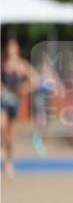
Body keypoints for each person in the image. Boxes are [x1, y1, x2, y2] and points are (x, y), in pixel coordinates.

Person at [2, 38, 33, 176]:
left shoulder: (22, 65)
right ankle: (3, 147)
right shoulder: (4, 65)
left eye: (14, 47)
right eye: (10, 47)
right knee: (2, 126)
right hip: (3, 101)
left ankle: (9, 161)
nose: (11, 50)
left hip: (15, 102)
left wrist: (24, 88)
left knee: (10, 136)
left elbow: (35, 81)